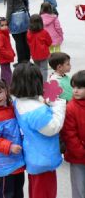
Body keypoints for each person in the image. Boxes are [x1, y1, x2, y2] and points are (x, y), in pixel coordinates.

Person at [11, 63, 66, 198]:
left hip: (33, 156)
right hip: (44, 159)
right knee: (45, 193)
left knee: (35, 191)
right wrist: (59, 105)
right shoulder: (37, 110)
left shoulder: (18, 101)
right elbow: (53, 127)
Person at [61, 70, 85, 198]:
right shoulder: (71, 107)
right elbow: (69, 134)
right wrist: (80, 151)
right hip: (78, 156)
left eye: (80, 87)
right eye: (74, 87)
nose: (75, 90)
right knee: (79, 187)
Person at [3, 0, 30, 64]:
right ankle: (27, 59)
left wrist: (7, 20)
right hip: (23, 14)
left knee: (18, 40)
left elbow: (10, 6)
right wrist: (27, 11)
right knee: (24, 39)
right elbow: (25, 0)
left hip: (15, 16)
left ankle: (21, 62)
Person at [27, 14, 52, 82]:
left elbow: (28, 43)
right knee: (44, 69)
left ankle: (37, 82)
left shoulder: (29, 33)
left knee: (37, 68)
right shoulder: (44, 32)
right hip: (44, 54)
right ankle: (44, 83)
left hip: (34, 54)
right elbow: (49, 42)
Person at [0, 17, 15, 86]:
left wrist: (11, 52)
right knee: (7, 73)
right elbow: (0, 48)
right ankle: (9, 86)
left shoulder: (3, 33)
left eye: (6, 24)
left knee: (5, 71)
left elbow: (7, 45)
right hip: (4, 57)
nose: (5, 27)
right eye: (2, 25)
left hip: (5, 56)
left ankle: (3, 84)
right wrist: (8, 54)